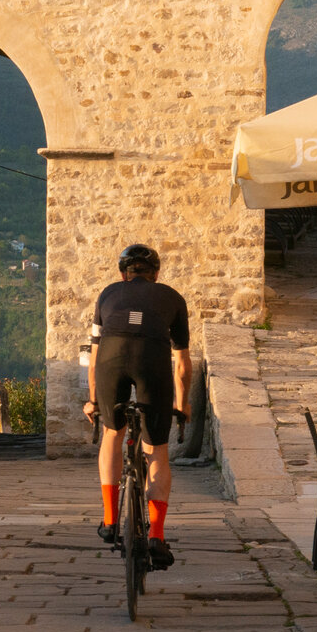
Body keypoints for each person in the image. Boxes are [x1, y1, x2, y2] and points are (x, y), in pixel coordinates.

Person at [86, 242, 191, 571]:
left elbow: (93, 358)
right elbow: (183, 365)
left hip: (111, 359)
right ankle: (156, 536)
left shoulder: (106, 294)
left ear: (122, 274)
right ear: (156, 275)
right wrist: (183, 405)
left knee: (111, 432)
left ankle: (109, 519)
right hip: (152, 364)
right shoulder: (173, 298)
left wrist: (93, 400)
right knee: (156, 448)